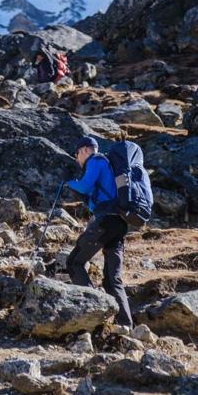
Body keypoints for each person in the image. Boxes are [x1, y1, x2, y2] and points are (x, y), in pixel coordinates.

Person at [64, 136, 134, 327]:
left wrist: (67, 183)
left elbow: (85, 186)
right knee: (113, 280)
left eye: (77, 154)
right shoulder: (109, 165)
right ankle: (125, 326)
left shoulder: (95, 161)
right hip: (119, 222)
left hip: (105, 221)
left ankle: (93, 310)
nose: (77, 159)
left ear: (85, 150)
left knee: (74, 262)